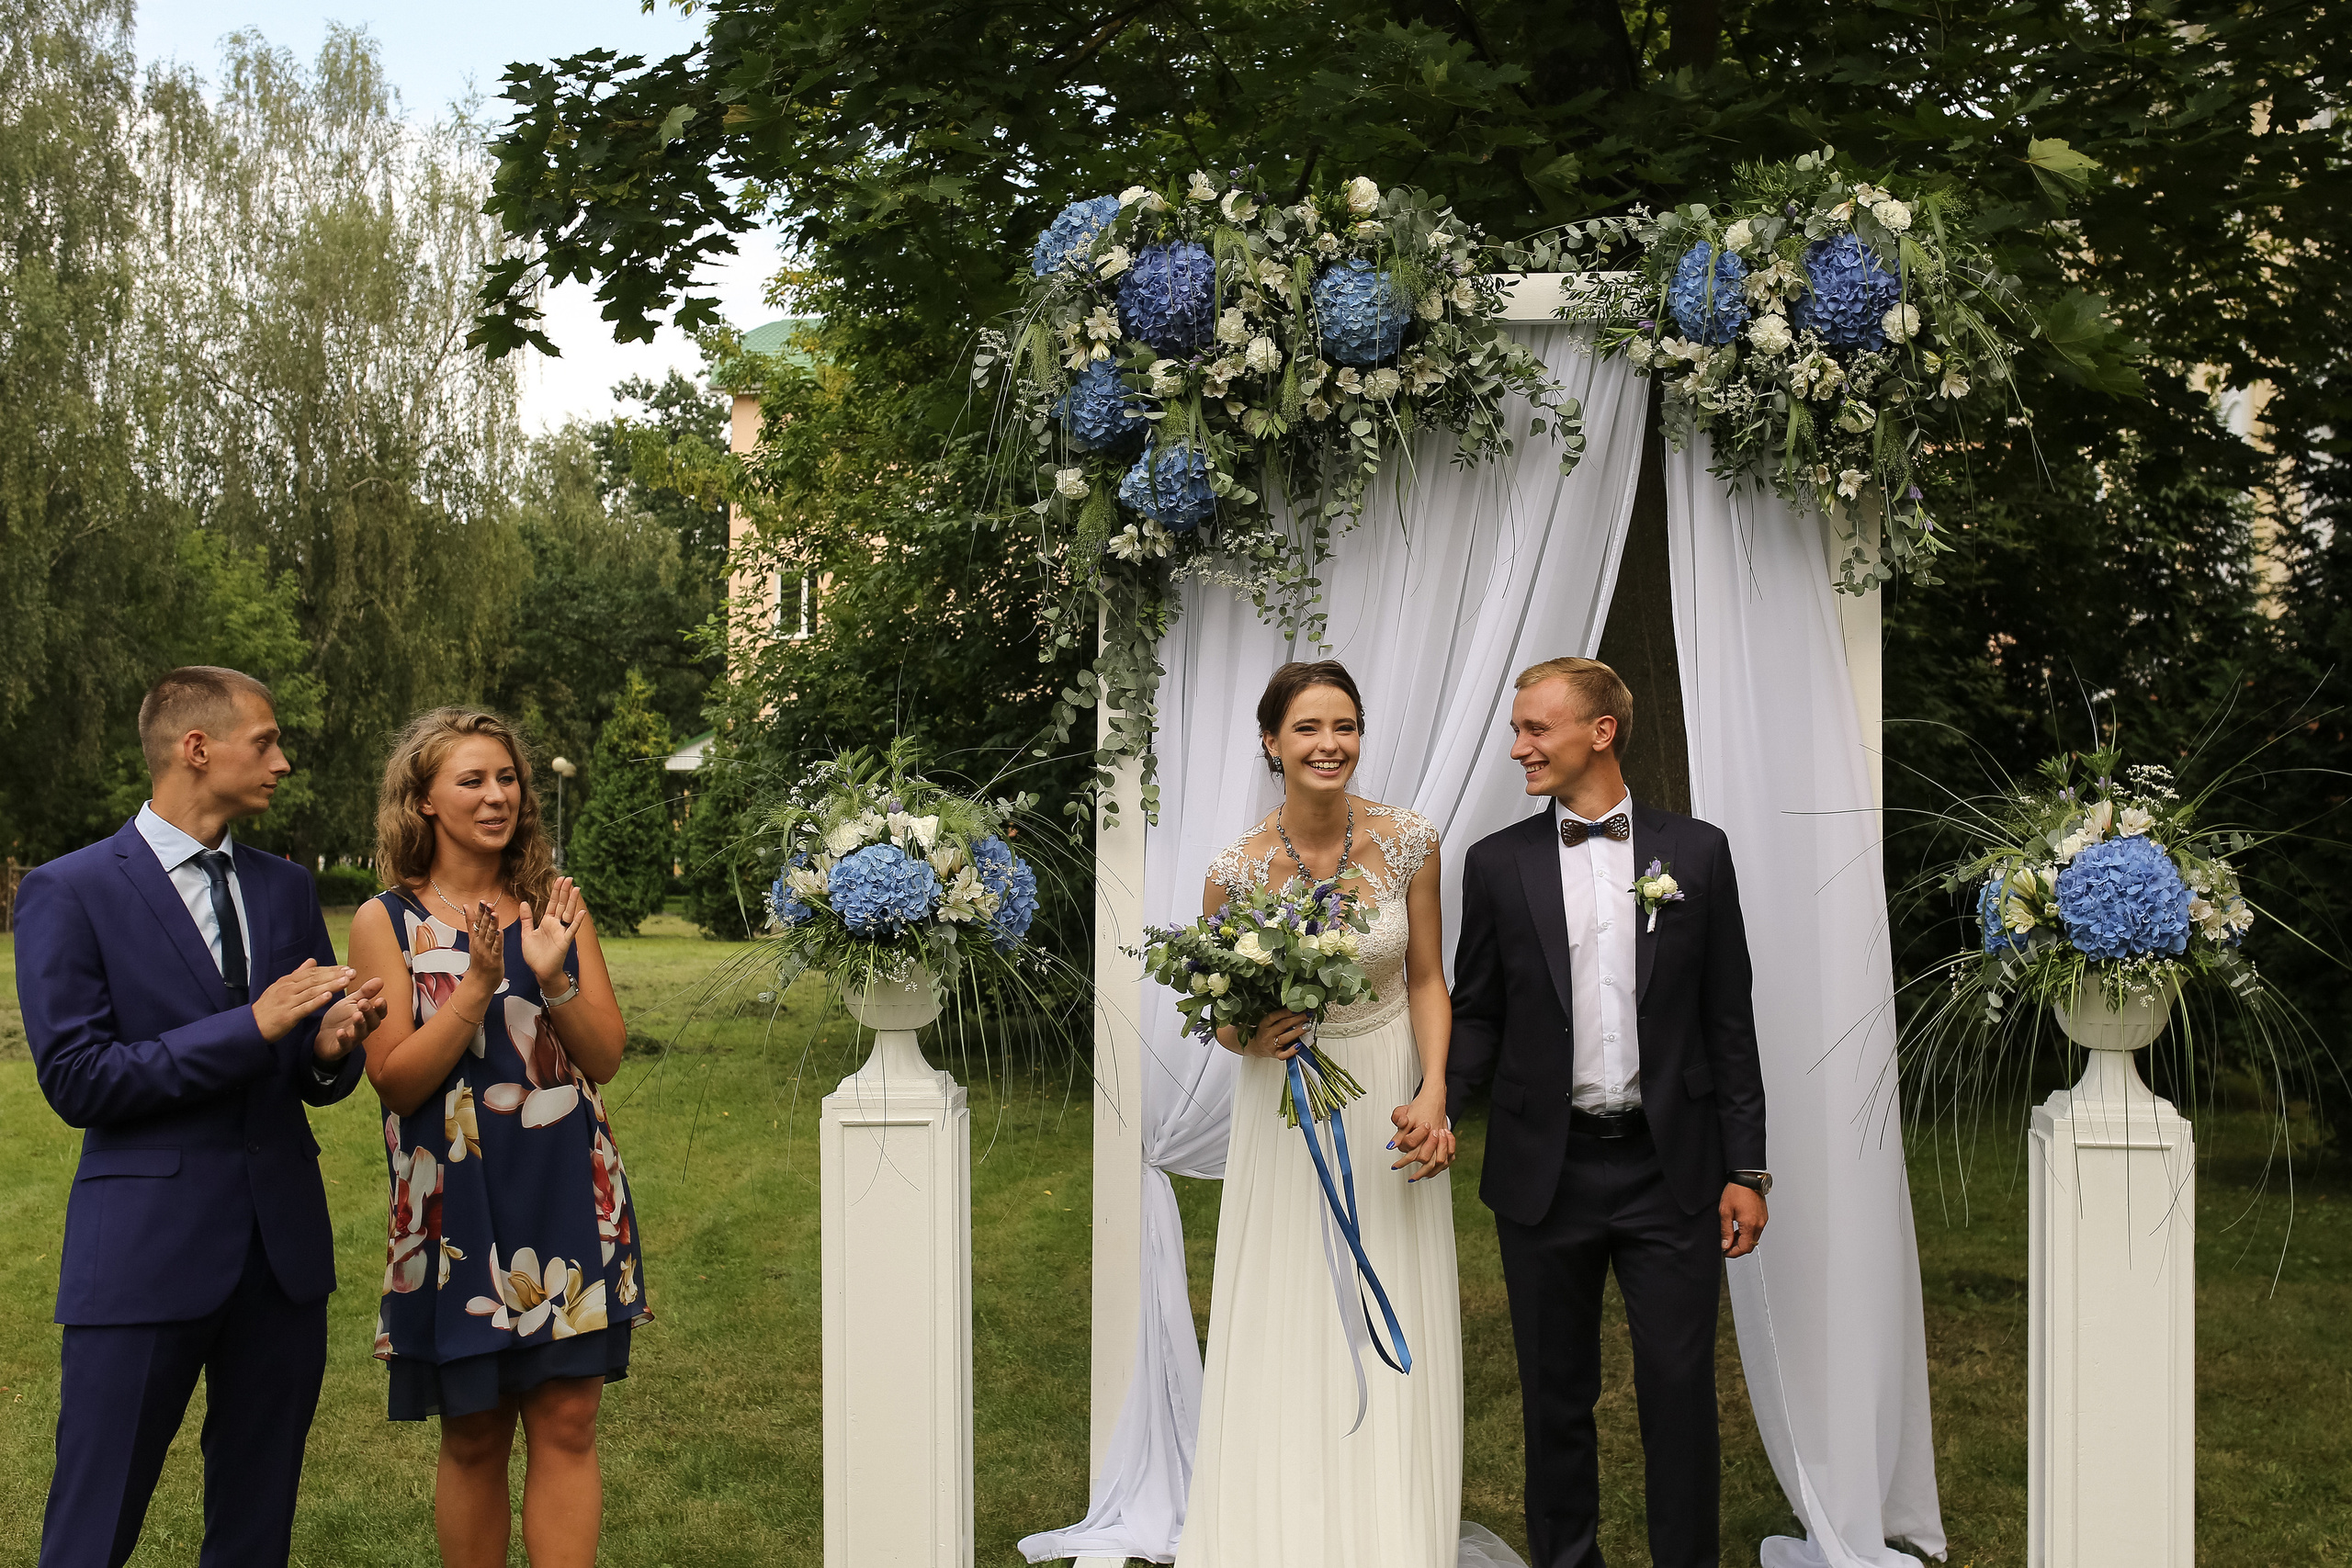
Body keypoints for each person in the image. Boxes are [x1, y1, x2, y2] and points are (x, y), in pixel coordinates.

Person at [17, 664, 387, 1568]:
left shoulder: (286, 890)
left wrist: (331, 1046)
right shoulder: (70, 892)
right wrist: (254, 1025)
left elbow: (300, 1066)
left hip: (281, 1256)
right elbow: (77, 1080)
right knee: (92, 1527)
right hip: (142, 1252)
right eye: (264, 742)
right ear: (195, 748)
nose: (284, 762)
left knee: (257, 1526)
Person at [1425, 656, 1769, 1568]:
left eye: (1535, 729)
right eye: (1518, 730)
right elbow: (1481, 1007)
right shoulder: (1496, 864)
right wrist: (1442, 1102)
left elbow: (1727, 1018)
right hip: (1547, 1171)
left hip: (1675, 1173)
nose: (1518, 748)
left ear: (1599, 731)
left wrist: (1746, 1169)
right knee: (1555, 1395)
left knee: (1677, 1389)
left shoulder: (1695, 852)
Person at [345, 706, 646, 1568]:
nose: (497, 795)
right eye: (471, 779)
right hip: (457, 1199)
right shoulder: (388, 922)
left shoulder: (555, 907)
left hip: (564, 1184)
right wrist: (476, 984)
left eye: (506, 777)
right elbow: (396, 1078)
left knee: (570, 1419)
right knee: (474, 1431)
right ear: (424, 800)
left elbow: (604, 1055)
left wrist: (550, 977)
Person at [1179, 660, 1464, 1566]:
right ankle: (1277, 1529)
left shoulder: (1411, 841)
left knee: (1392, 1284)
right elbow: (1217, 1014)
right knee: (1287, 1305)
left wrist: (1432, 1090)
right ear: (1272, 742)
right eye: (1307, 727)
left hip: (1387, 1088)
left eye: (1343, 725)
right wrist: (1252, 1036)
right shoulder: (1233, 869)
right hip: (1284, 1103)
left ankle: (1391, 1533)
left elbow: (1425, 976)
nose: (1328, 743)